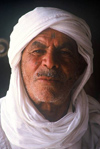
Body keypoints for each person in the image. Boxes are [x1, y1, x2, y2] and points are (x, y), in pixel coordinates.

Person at [0, 7, 100, 149]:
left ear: (80, 67)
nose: (50, 62)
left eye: (64, 52)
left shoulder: (95, 127)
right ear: (19, 62)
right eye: (38, 51)